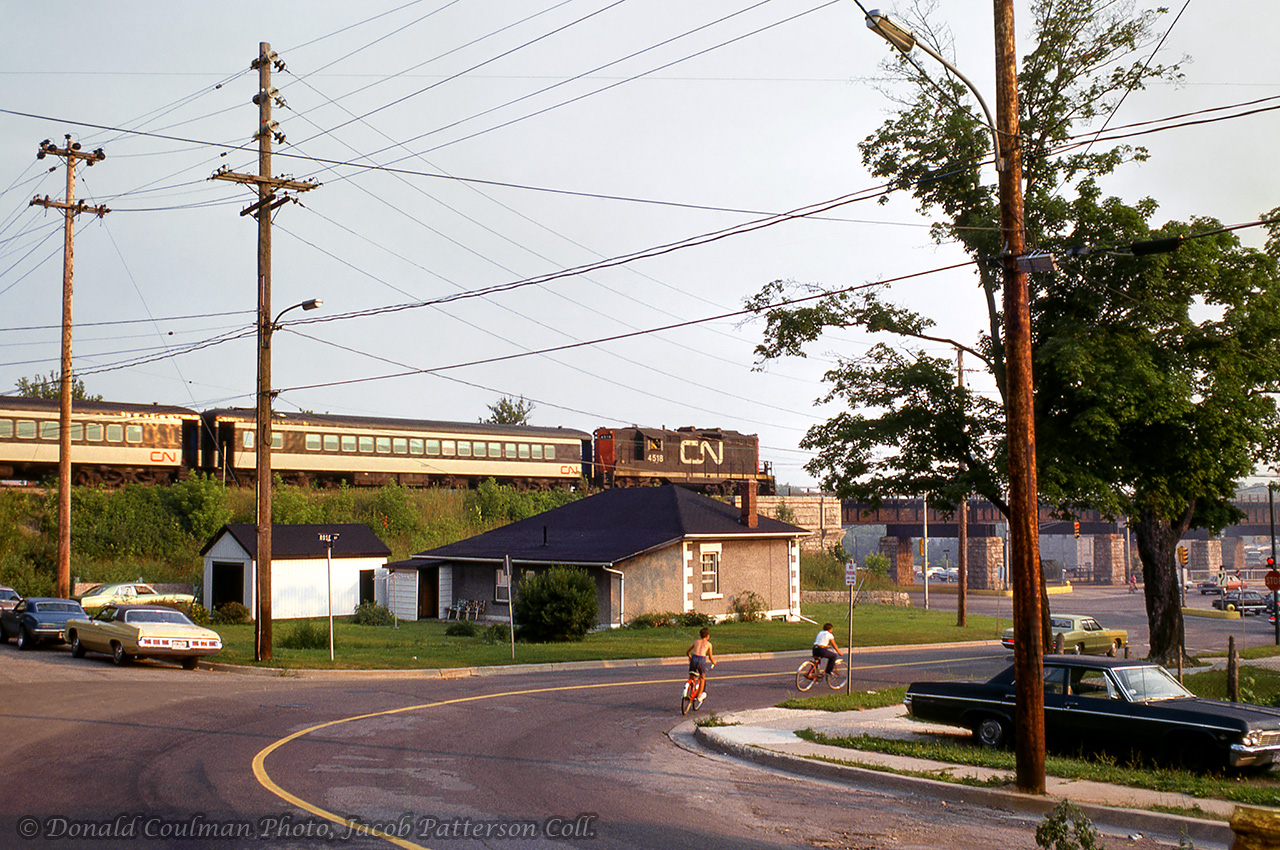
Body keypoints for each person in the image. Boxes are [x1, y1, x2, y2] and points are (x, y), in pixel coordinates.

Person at [686, 627, 716, 707]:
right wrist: (714, 662)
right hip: (701, 660)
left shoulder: (696, 642)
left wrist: (690, 657)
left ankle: (688, 689)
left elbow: (687, 651)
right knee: (702, 677)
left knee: (691, 676)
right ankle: (699, 695)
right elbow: (710, 657)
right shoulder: (709, 644)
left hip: (694, 658)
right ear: (707, 636)